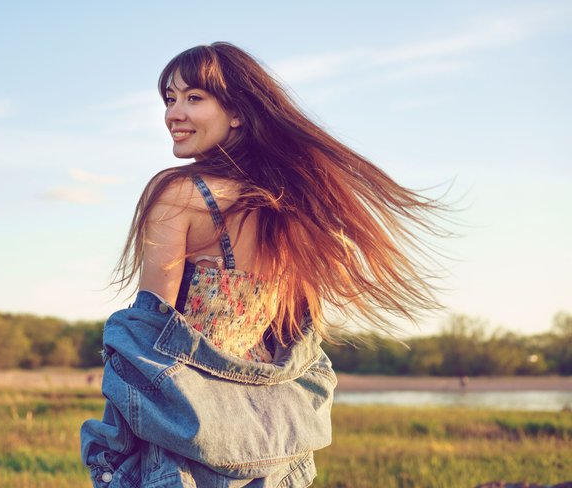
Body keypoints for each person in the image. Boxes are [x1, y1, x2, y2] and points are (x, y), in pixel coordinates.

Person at [81, 42, 448, 488]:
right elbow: (296, 334)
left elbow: (147, 335)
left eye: (194, 98)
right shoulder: (290, 208)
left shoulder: (179, 194)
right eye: (170, 99)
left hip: (183, 439)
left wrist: (113, 454)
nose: (173, 114)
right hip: (270, 438)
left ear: (237, 111)